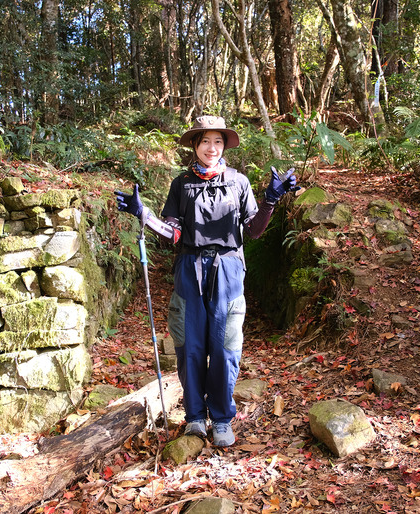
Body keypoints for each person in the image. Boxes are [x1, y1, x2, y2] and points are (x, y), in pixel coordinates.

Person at [115, 115, 297, 447]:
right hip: (190, 267)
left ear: (224, 145)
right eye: (204, 142)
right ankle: (196, 417)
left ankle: (222, 418)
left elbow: (253, 231)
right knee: (190, 348)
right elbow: (173, 232)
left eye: (217, 141)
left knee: (225, 346)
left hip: (228, 269)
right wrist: (145, 215)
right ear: (195, 146)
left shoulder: (238, 182)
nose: (211, 148)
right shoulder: (182, 184)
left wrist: (270, 199)